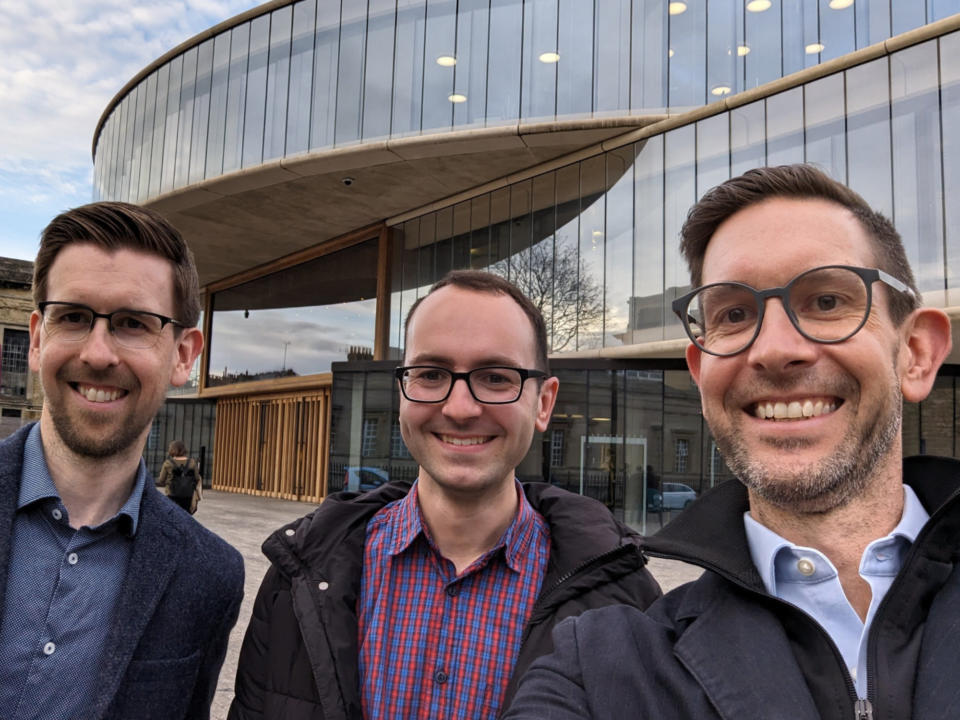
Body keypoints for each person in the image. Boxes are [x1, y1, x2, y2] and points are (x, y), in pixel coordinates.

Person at [505, 164, 956, 719]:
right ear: (699, 374)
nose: (773, 349)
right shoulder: (596, 673)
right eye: (735, 314)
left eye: (827, 301)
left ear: (916, 353)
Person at [228, 270, 661, 720]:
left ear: (544, 403)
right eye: (432, 374)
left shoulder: (627, 601)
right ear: (402, 391)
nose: (459, 409)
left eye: (496, 377)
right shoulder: (295, 578)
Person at [0, 201, 244, 720]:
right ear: (39, 337)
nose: (98, 353)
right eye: (74, 317)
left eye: (133, 323)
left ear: (183, 355)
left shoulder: (210, 575)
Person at [158, 439, 203, 514]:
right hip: (188, 496)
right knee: (186, 517)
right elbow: (197, 478)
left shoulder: (168, 463)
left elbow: (161, 480)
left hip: (172, 495)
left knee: (172, 517)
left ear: (171, 450)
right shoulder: (192, 462)